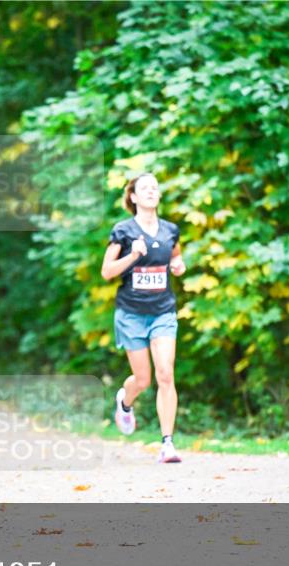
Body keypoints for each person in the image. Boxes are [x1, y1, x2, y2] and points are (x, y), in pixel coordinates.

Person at [101, 173, 186, 463]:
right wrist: (133, 256)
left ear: (158, 196)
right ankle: (125, 403)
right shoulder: (123, 231)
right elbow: (107, 272)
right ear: (134, 197)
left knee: (166, 373)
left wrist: (177, 265)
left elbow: (175, 256)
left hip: (163, 311)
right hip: (131, 314)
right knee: (143, 379)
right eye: (144, 188)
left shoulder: (170, 230)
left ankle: (167, 444)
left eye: (155, 187)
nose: (151, 191)